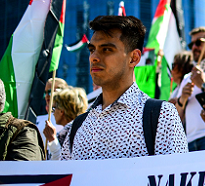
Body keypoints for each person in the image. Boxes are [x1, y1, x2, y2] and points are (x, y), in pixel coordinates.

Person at [60, 15, 187, 159]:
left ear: (134, 58)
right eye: (92, 50)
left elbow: (174, 179)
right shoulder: (77, 126)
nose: (93, 57)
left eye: (106, 49)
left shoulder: (161, 115)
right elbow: (65, 180)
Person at [175, 28, 205, 151]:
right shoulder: (188, 77)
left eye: (199, 42)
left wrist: (204, 85)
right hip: (189, 140)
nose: (194, 47)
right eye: (191, 44)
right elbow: (177, 116)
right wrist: (182, 99)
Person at [43, 87, 88, 160]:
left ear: (62, 111)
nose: (52, 112)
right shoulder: (81, 127)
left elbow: (63, 163)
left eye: (54, 108)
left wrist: (52, 139)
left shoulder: (77, 132)